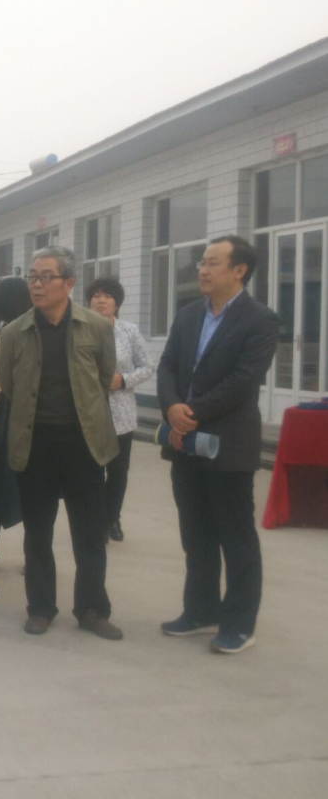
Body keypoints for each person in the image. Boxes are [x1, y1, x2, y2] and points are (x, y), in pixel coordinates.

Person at [157, 235, 278, 654]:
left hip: (228, 445)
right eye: (202, 263)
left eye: (212, 263)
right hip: (185, 442)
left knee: (236, 537)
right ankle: (201, 611)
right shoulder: (189, 314)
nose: (202, 270)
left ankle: (240, 624)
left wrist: (189, 412)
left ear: (239, 270)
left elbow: (244, 380)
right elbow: (168, 365)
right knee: (196, 534)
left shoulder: (260, 319)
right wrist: (171, 406)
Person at [0, 246, 122, 640]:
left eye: (46, 277)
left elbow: (104, 376)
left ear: (68, 283)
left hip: (83, 445)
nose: (36, 284)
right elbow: (8, 383)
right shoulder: (14, 332)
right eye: (32, 276)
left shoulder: (96, 327)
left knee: (89, 535)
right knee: (38, 534)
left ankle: (92, 609)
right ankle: (40, 608)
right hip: (35, 446)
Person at [85, 276, 155, 543]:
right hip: (88, 414)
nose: (101, 300)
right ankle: (96, 522)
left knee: (118, 472)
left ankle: (111, 518)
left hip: (121, 414)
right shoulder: (79, 330)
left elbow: (147, 366)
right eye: (96, 295)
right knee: (92, 473)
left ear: (117, 303)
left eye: (108, 296)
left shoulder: (128, 331)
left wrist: (123, 380)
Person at [0, 277, 31, 573]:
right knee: (3, 485)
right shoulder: (0, 332)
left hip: (15, 416)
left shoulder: (26, 331)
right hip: (3, 416)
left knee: (7, 487)